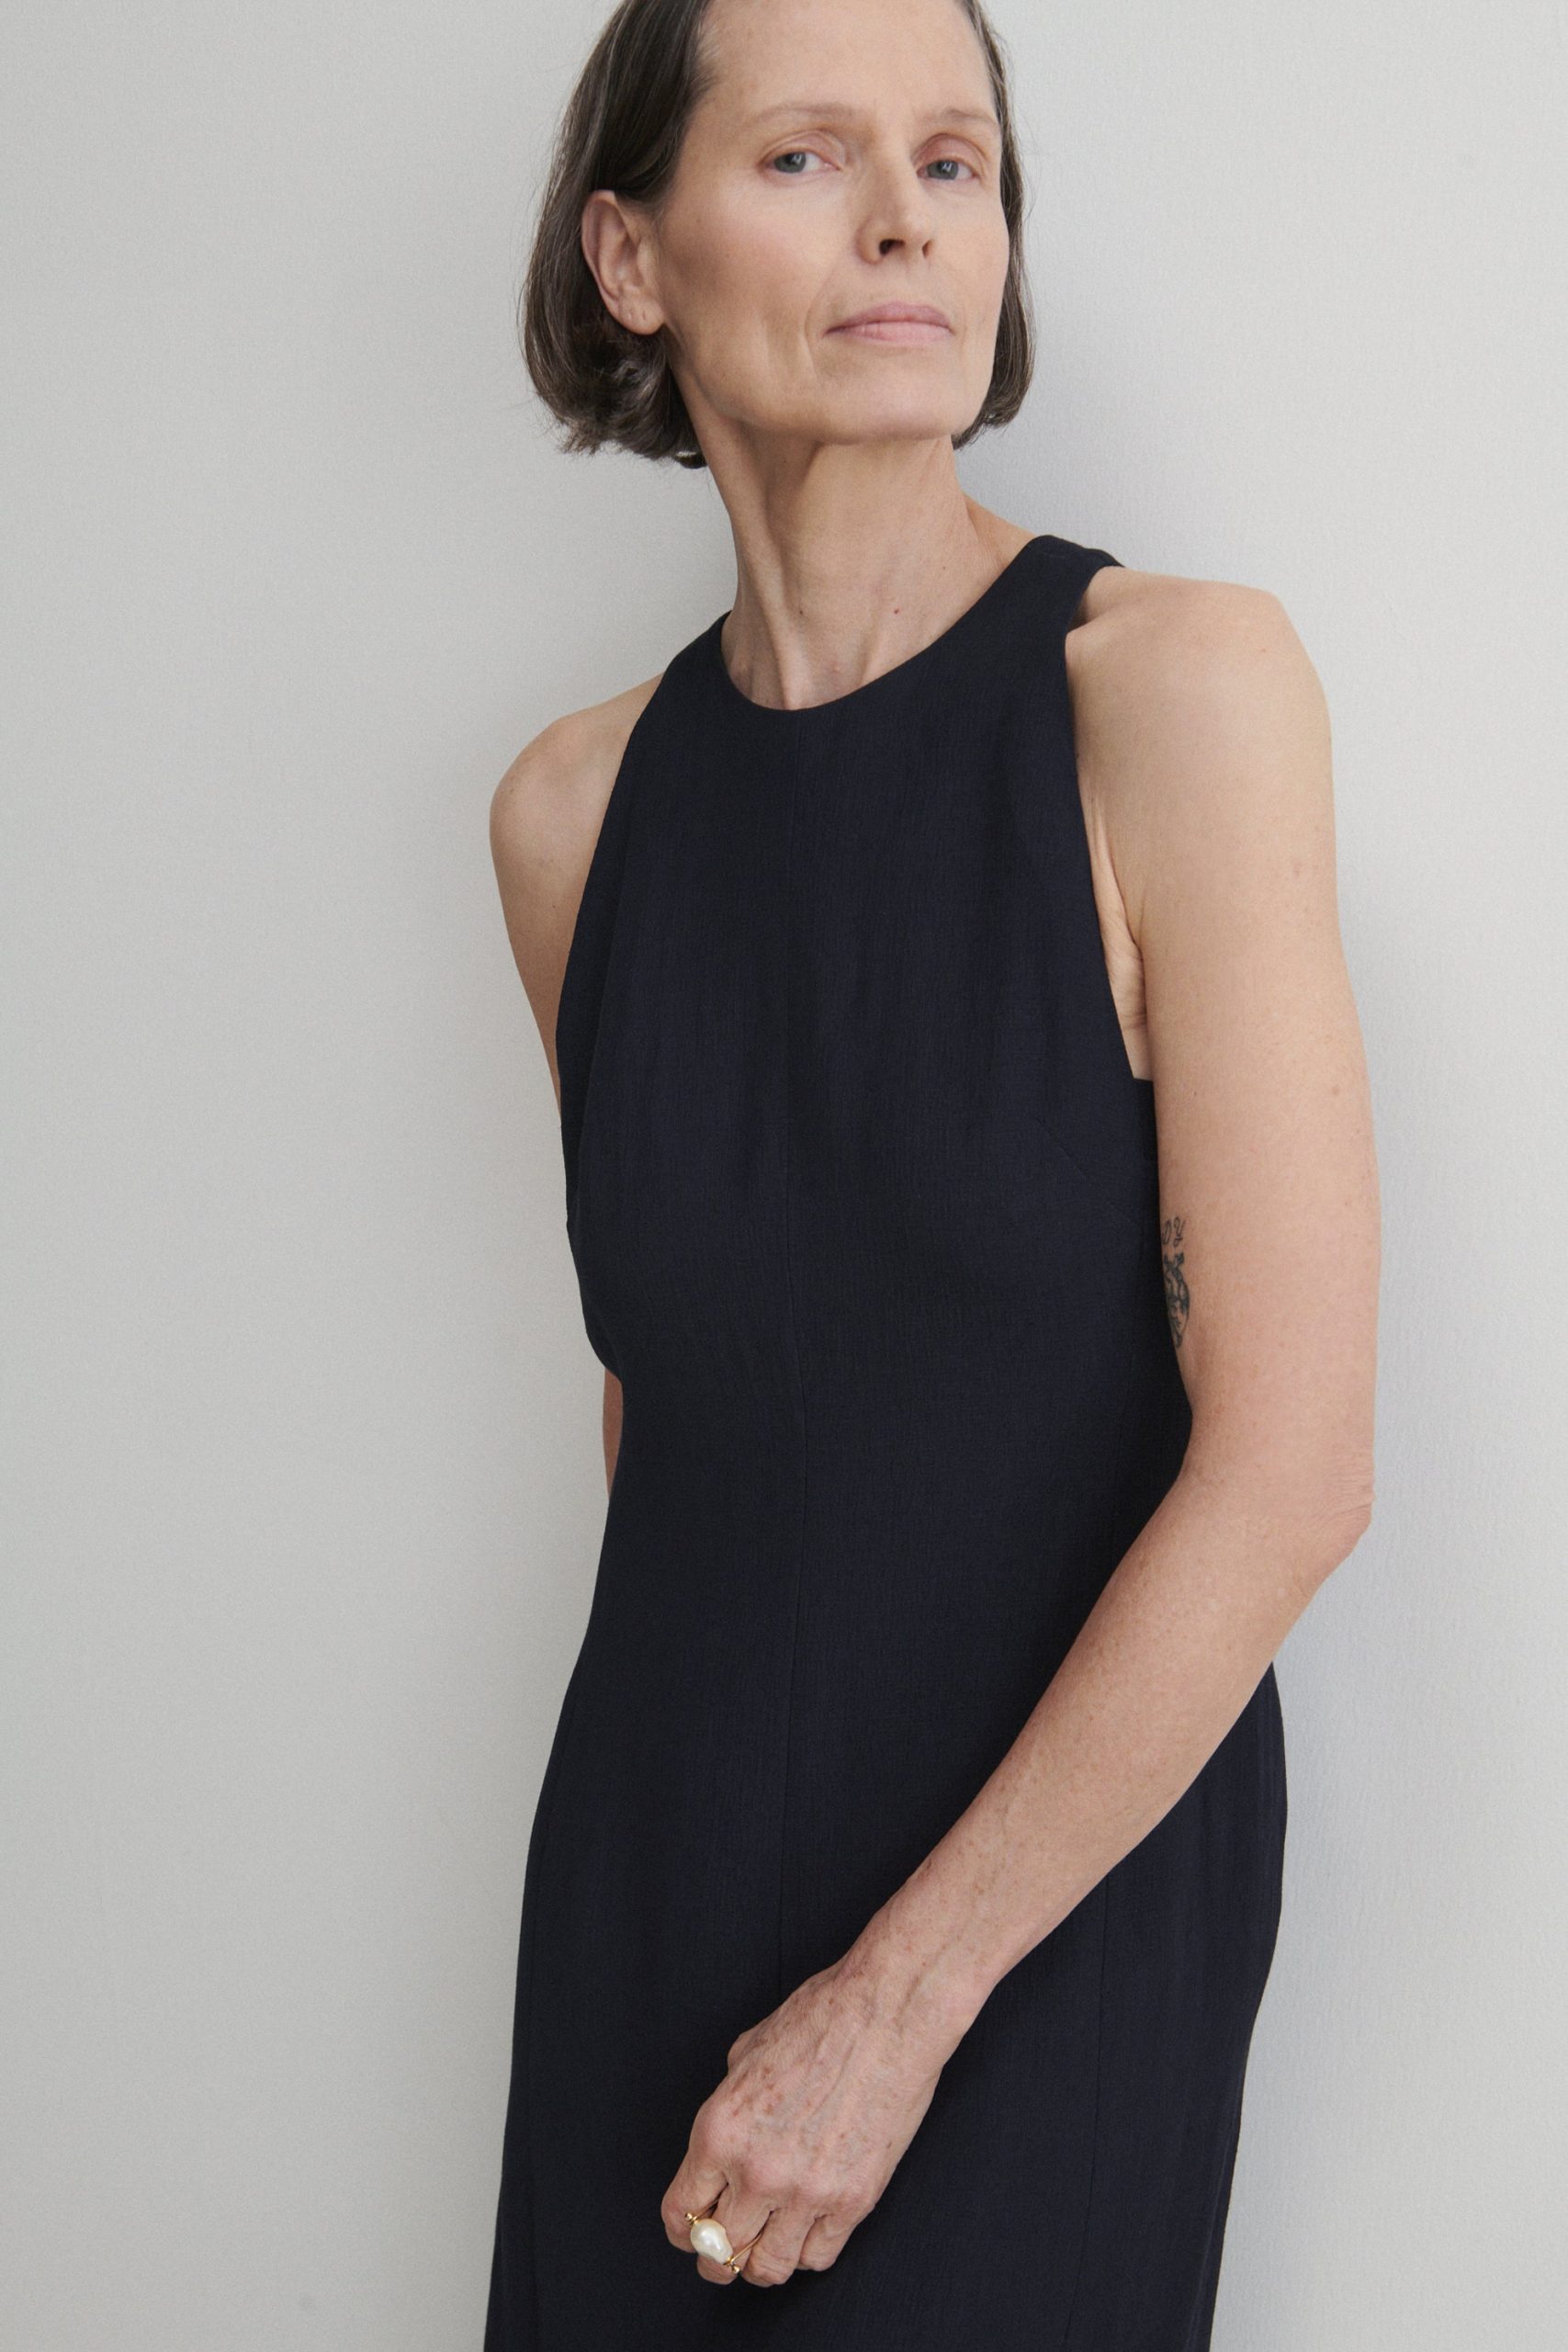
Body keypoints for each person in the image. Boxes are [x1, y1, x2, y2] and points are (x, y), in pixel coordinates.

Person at [482, 0, 1380, 2344]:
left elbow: (1289, 1468)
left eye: (953, 161)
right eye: (802, 156)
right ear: (629, 256)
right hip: (656, 1890)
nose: (903, 220)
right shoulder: (572, 817)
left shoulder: (1168, 692)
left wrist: (892, 2006)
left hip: (1038, 1932)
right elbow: (669, 1413)